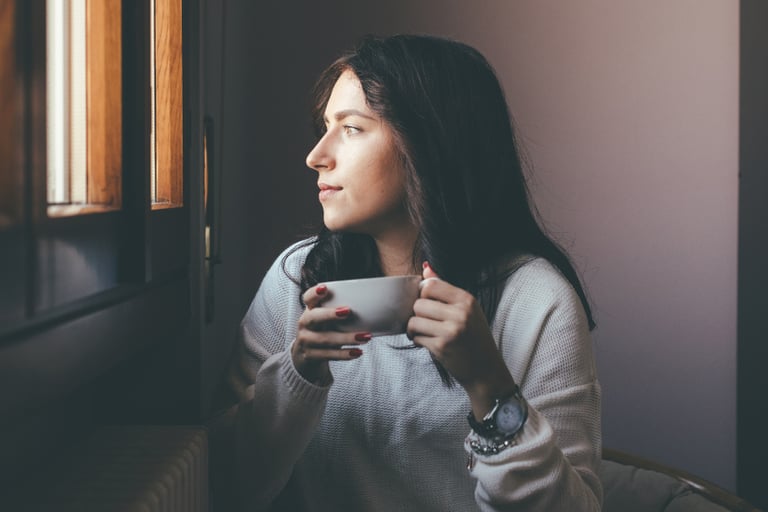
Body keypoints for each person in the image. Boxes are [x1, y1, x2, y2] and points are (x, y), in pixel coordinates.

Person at [223, 34, 602, 511]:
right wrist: (298, 374)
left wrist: (489, 385)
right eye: (325, 126)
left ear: (429, 142)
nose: (316, 155)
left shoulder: (536, 301)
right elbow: (229, 486)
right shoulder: (297, 280)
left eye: (353, 128)